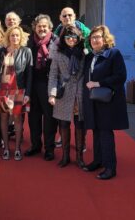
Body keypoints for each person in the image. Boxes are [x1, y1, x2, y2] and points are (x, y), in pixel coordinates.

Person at [82, 25, 129, 180]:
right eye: (93, 37)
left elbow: (121, 76)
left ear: (105, 38)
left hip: (108, 101)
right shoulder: (90, 56)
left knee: (105, 133)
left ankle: (110, 167)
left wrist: (98, 83)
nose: (95, 40)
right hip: (93, 100)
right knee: (95, 131)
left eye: (98, 37)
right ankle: (98, 161)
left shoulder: (114, 54)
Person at [48, 25, 86, 168]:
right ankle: (65, 156)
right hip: (63, 92)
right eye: (68, 36)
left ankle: (79, 157)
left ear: (78, 38)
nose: (71, 39)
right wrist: (52, 94)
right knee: (63, 124)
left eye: (74, 37)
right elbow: (53, 75)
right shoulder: (58, 54)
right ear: (63, 38)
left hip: (80, 93)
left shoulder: (83, 53)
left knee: (80, 125)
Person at [0, 26, 32, 161]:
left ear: (21, 37)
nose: (15, 38)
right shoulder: (1, 51)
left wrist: (28, 92)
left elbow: (29, 74)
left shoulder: (26, 51)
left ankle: (17, 148)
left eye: (17, 35)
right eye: (12, 35)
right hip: (2, 90)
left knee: (17, 119)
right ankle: (5, 148)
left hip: (19, 90)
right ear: (8, 37)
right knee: (3, 119)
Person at [25, 14, 57, 161]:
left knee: (49, 119)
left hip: (48, 84)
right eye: (39, 26)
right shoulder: (29, 41)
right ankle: (35, 145)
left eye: (44, 26)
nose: (42, 28)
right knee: (33, 117)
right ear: (35, 28)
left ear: (49, 27)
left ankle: (49, 149)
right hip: (33, 84)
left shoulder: (56, 41)